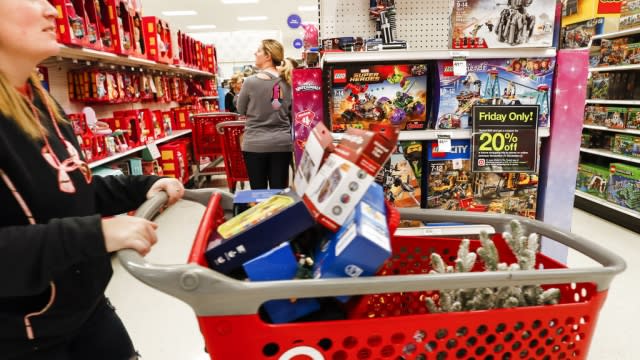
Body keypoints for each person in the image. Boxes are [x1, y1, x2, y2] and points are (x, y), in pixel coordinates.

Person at [0, 1, 185, 359]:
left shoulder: (42, 104)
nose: (53, 10)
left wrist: (139, 186)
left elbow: (71, 184)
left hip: (87, 312)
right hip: (22, 338)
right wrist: (94, 234)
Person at [237, 39, 294, 189]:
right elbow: (291, 112)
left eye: (259, 51)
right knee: (279, 195)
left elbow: (240, 109)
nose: (255, 53)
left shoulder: (250, 82)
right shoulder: (287, 82)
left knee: (258, 193)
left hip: (255, 144)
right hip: (282, 144)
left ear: (268, 56)